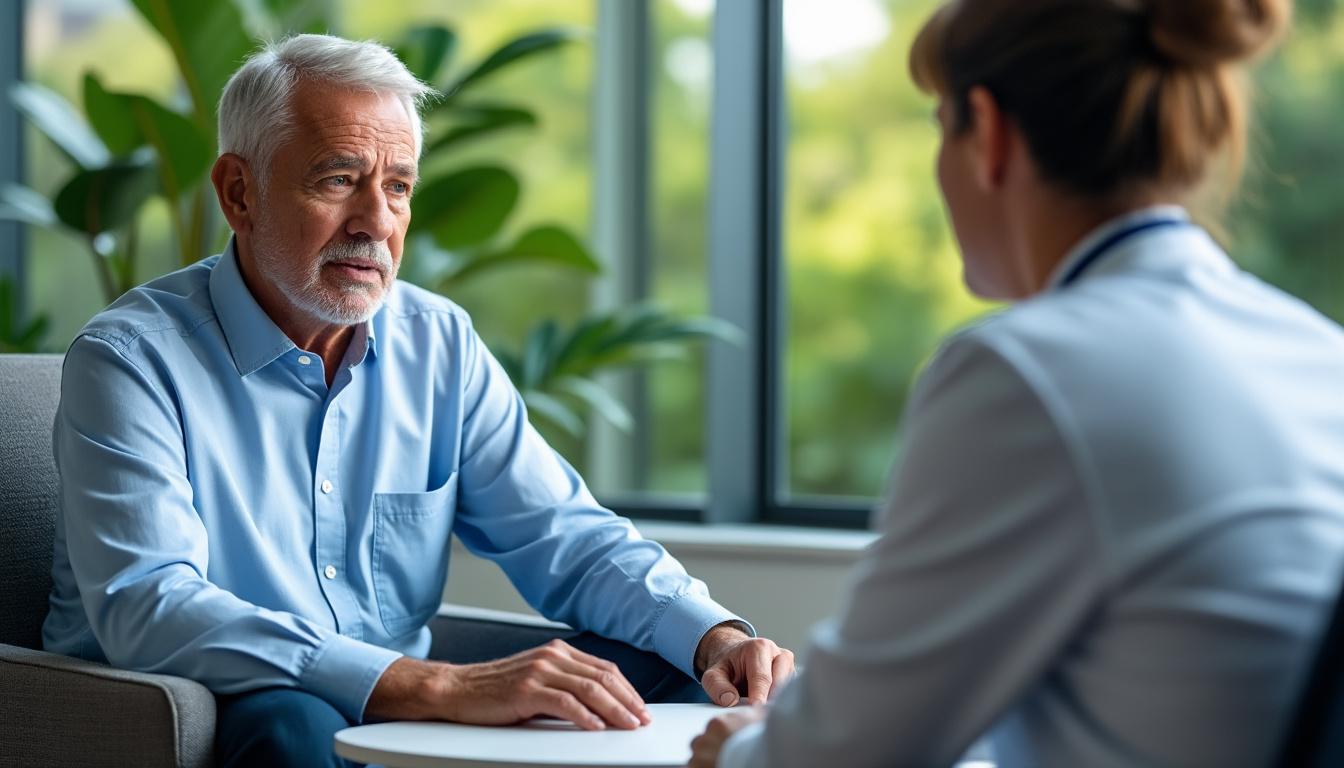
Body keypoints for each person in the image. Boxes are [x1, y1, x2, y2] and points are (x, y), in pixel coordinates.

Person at [41, 34, 793, 767]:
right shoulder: (131, 360)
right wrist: (432, 684)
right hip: (215, 697)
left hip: (406, 702)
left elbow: (563, 535)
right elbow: (149, 603)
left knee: (659, 675)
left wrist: (714, 637)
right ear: (240, 192)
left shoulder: (438, 343)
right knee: (293, 721)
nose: (376, 222)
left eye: (397, 186)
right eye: (339, 180)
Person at [691, 0, 1344, 766]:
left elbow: (840, 754)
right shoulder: (1318, 351)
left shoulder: (1026, 375)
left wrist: (741, 752)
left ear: (988, 134)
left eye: (940, 127)